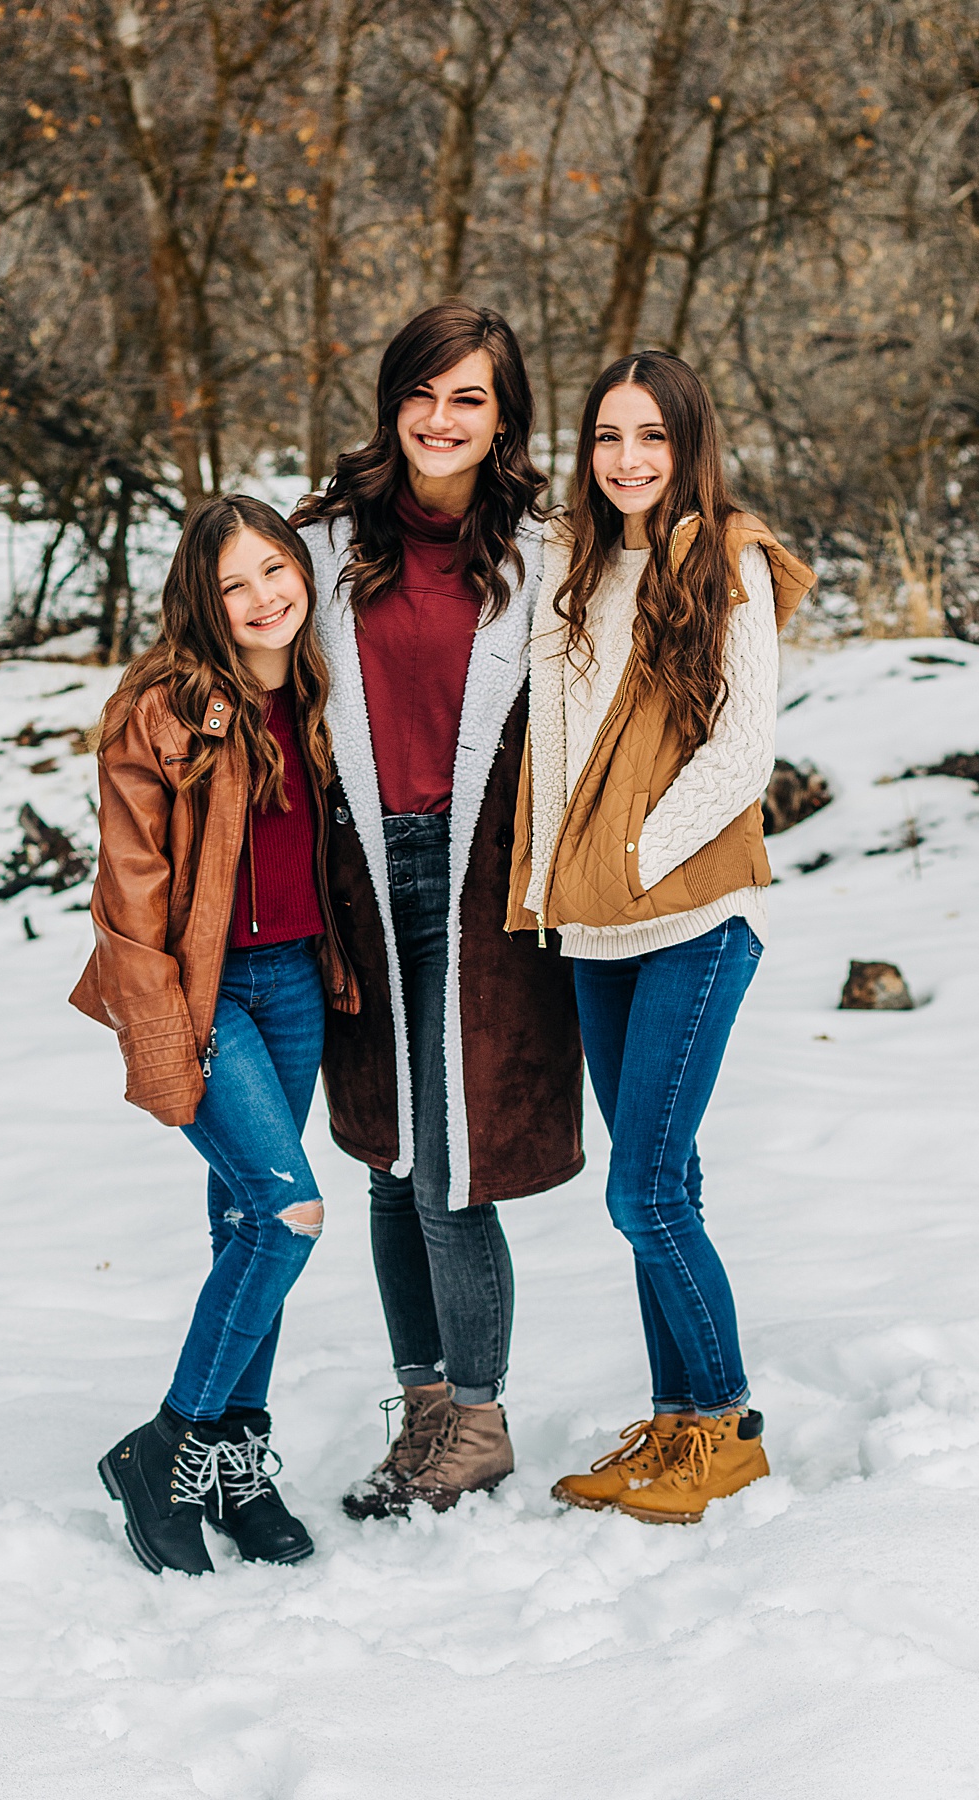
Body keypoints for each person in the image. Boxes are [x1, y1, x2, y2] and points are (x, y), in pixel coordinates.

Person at [507, 351, 815, 1524]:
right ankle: (679, 1424)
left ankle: (725, 1420)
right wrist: (559, 878)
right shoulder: (573, 568)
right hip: (591, 929)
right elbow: (553, 735)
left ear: (689, 445)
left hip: (695, 914)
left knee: (641, 1192)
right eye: (607, 437)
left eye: (652, 437)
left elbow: (743, 749)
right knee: (666, 1179)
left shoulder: (726, 555)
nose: (628, 459)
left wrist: (633, 859)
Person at [295, 302, 584, 1518]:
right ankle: (421, 1410)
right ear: (391, 401)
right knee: (382, 1154)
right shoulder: (319, 544)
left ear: (505, 414)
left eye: (470, 398)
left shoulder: (550, 553)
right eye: (422, 392)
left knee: (452, 1169)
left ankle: (480, 1419)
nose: (441, 419)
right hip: (358, 876)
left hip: (485, 887)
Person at [69, 495, 358, 1575]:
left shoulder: (326, 690)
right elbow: (131, 889)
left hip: (293, 985)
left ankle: (237, 1459)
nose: (262, 597)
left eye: (275, 570)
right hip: (205, 997)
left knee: (244, 1227)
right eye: (234, 583)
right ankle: (167, 1446)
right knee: (289, 1215)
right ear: (202, 597)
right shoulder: (160, 710)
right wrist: (161, 1033)